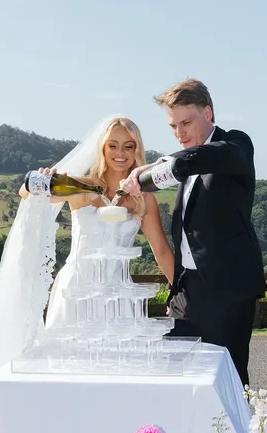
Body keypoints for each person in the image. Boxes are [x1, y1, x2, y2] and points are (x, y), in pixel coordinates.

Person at [120, 79, 267, 387]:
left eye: (186, 123)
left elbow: (207, 157)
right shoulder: (187, 161)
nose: (179, 133)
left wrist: (163, 164)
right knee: (177, 378)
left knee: (228, 383)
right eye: (173, 126)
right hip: (185, 292)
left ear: (208, 113)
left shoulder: (234, 145)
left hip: (228, 292)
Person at [18, 117, 174, 329]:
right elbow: (25, 193)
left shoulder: (143, 199)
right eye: (113, 145)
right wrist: (41, 179)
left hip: (120, 295)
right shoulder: (80, 186)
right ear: (102, 148)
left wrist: (189, 298)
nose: (120, 153)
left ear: (136, 151)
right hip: (76, 290)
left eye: (129, 146)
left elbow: (162, 252)